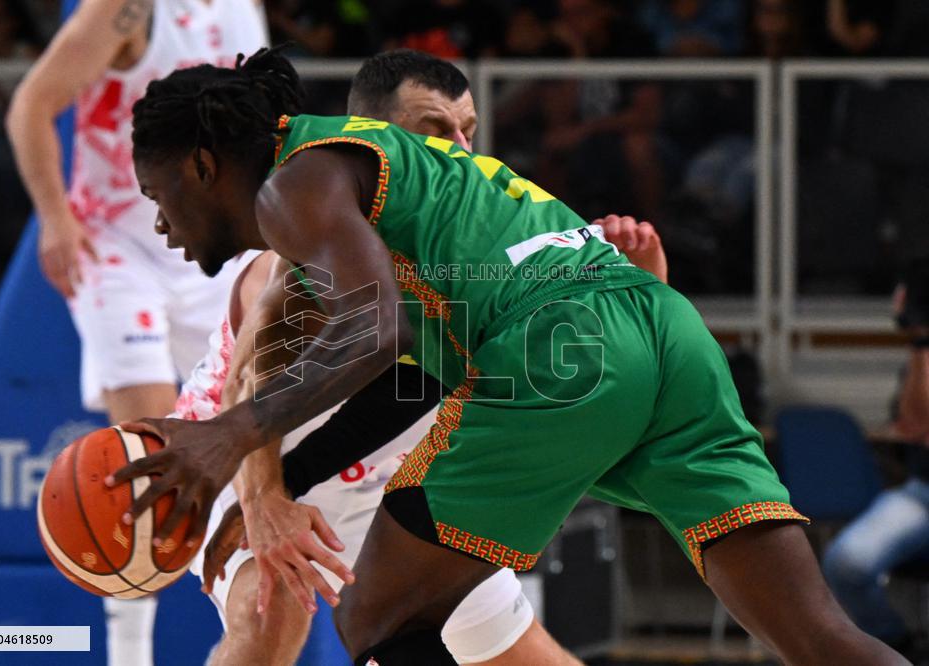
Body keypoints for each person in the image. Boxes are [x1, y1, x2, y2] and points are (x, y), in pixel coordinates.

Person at [116, 47, 905, 665]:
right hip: (665, 330)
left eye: (157, 199)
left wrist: (227, 436)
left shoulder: (296, 185)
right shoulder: (382, 197)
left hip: (556, 346)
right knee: (820, 639)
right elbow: (378, 360)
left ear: (203, 167)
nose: (161, 227)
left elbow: (376, 333)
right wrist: (274, 476)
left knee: (380, 618)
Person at [178, 49, 665, 665]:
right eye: (435, 129)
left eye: (470, 132)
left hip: (387, 484)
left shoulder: (491, 250)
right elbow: (247, 385)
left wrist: (641, 285)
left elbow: (589, 383)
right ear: (372, 142)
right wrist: (264, 502)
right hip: (255, 460)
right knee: (269, 616)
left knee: (520, 655)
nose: (460, 150)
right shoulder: (308, 237)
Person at [5, 1, 269, 664]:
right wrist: (54, 218)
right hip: (119, 245)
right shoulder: (126, 9)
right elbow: (30, 105)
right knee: (150, 459)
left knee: (248, 446)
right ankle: (129, 654)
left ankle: (249, 636)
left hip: (209, 242)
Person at [823, 257, 929, 658]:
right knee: (848, 561)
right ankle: (896, 648)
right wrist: (920, 339)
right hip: (923, 492)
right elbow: (917, 423)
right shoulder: (923, 358)